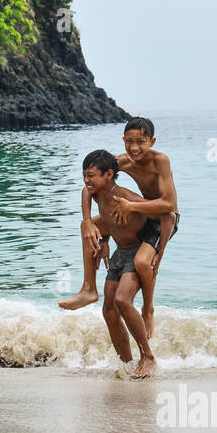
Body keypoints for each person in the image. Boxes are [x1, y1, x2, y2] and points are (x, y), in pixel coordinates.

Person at [60, 116, 179, 339]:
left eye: (141, 142)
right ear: (123, 140)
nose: (134, 148)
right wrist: (93, 227)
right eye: (129, 141)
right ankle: (88, 288)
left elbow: (168, 205)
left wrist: (132, 206)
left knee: (143, 261)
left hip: (163, 217)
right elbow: (90, 186)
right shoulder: (121, 162)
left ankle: (148, 309)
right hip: (137, 210)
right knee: (90, 227)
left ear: (152, 141)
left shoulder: (160, 160)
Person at [79, 149, 156, 378]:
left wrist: (156, 253)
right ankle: (128, 365)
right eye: (84, 175)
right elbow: (106, 216)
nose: (86, 180)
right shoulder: (97, 194)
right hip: (120, 253)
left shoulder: (126, 196)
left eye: (91, 175)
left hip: (138, 250)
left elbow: (166, 216)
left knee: (123, 300)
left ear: (109, 174)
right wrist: (103, 239)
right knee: (109, 309)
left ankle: (148, 357)